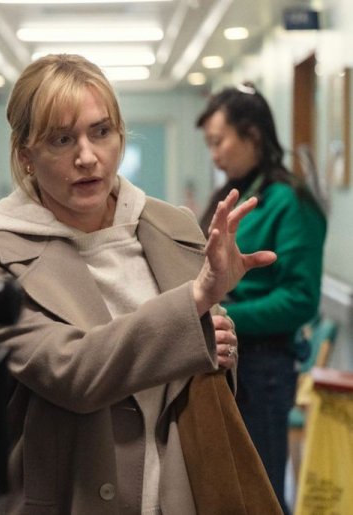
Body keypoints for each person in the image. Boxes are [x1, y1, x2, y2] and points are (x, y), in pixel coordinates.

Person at [0, 54, 281, 514]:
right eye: (62, 139)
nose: (87, 156)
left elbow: (208, 365)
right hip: (72, 496)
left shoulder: (174, 226)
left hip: (184, 493)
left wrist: (221, 342)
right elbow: (71, 373)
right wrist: (193, 305)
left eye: (101, 132)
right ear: (26, 156)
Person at [196, 82, 327, 513]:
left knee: (261, 492)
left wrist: (224, 314)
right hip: (222, 357)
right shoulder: (233, 194)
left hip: (264, 366)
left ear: (252, 134)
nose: (214, 154)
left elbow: (299, 299)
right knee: (226, 491)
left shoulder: (289, 201)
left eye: (219, 141)